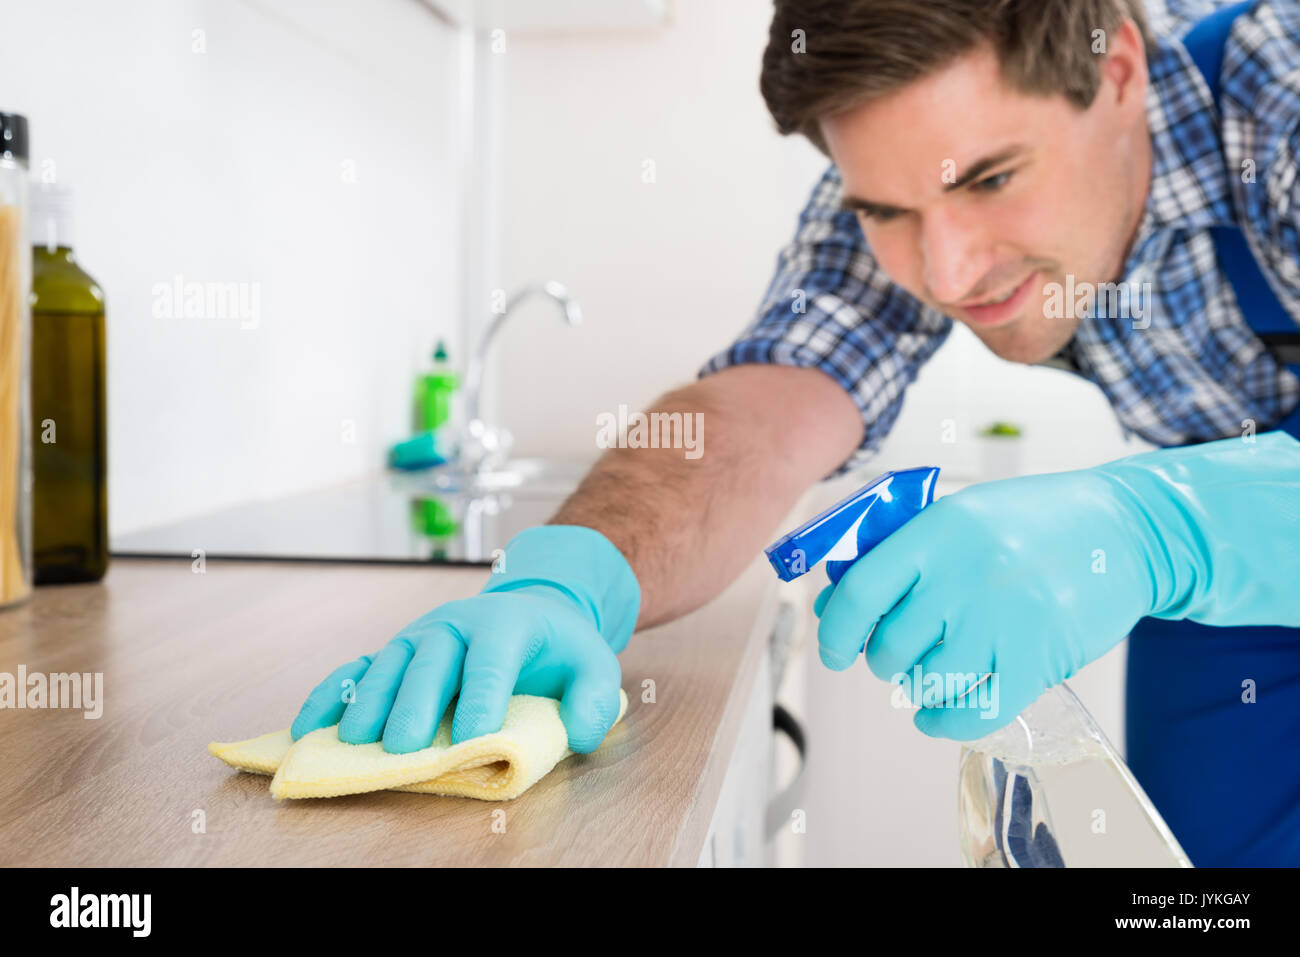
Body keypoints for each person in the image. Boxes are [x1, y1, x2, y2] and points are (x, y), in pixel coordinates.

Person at [293, 0, 1300, 866]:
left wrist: (1160, 527)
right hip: (1222, 592)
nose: (946, 275)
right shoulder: (902, 174)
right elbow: (764, 408)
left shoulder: (1279, 90)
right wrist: (572, 574)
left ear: (1115, 70)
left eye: (991, 180)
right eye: (887, 212)